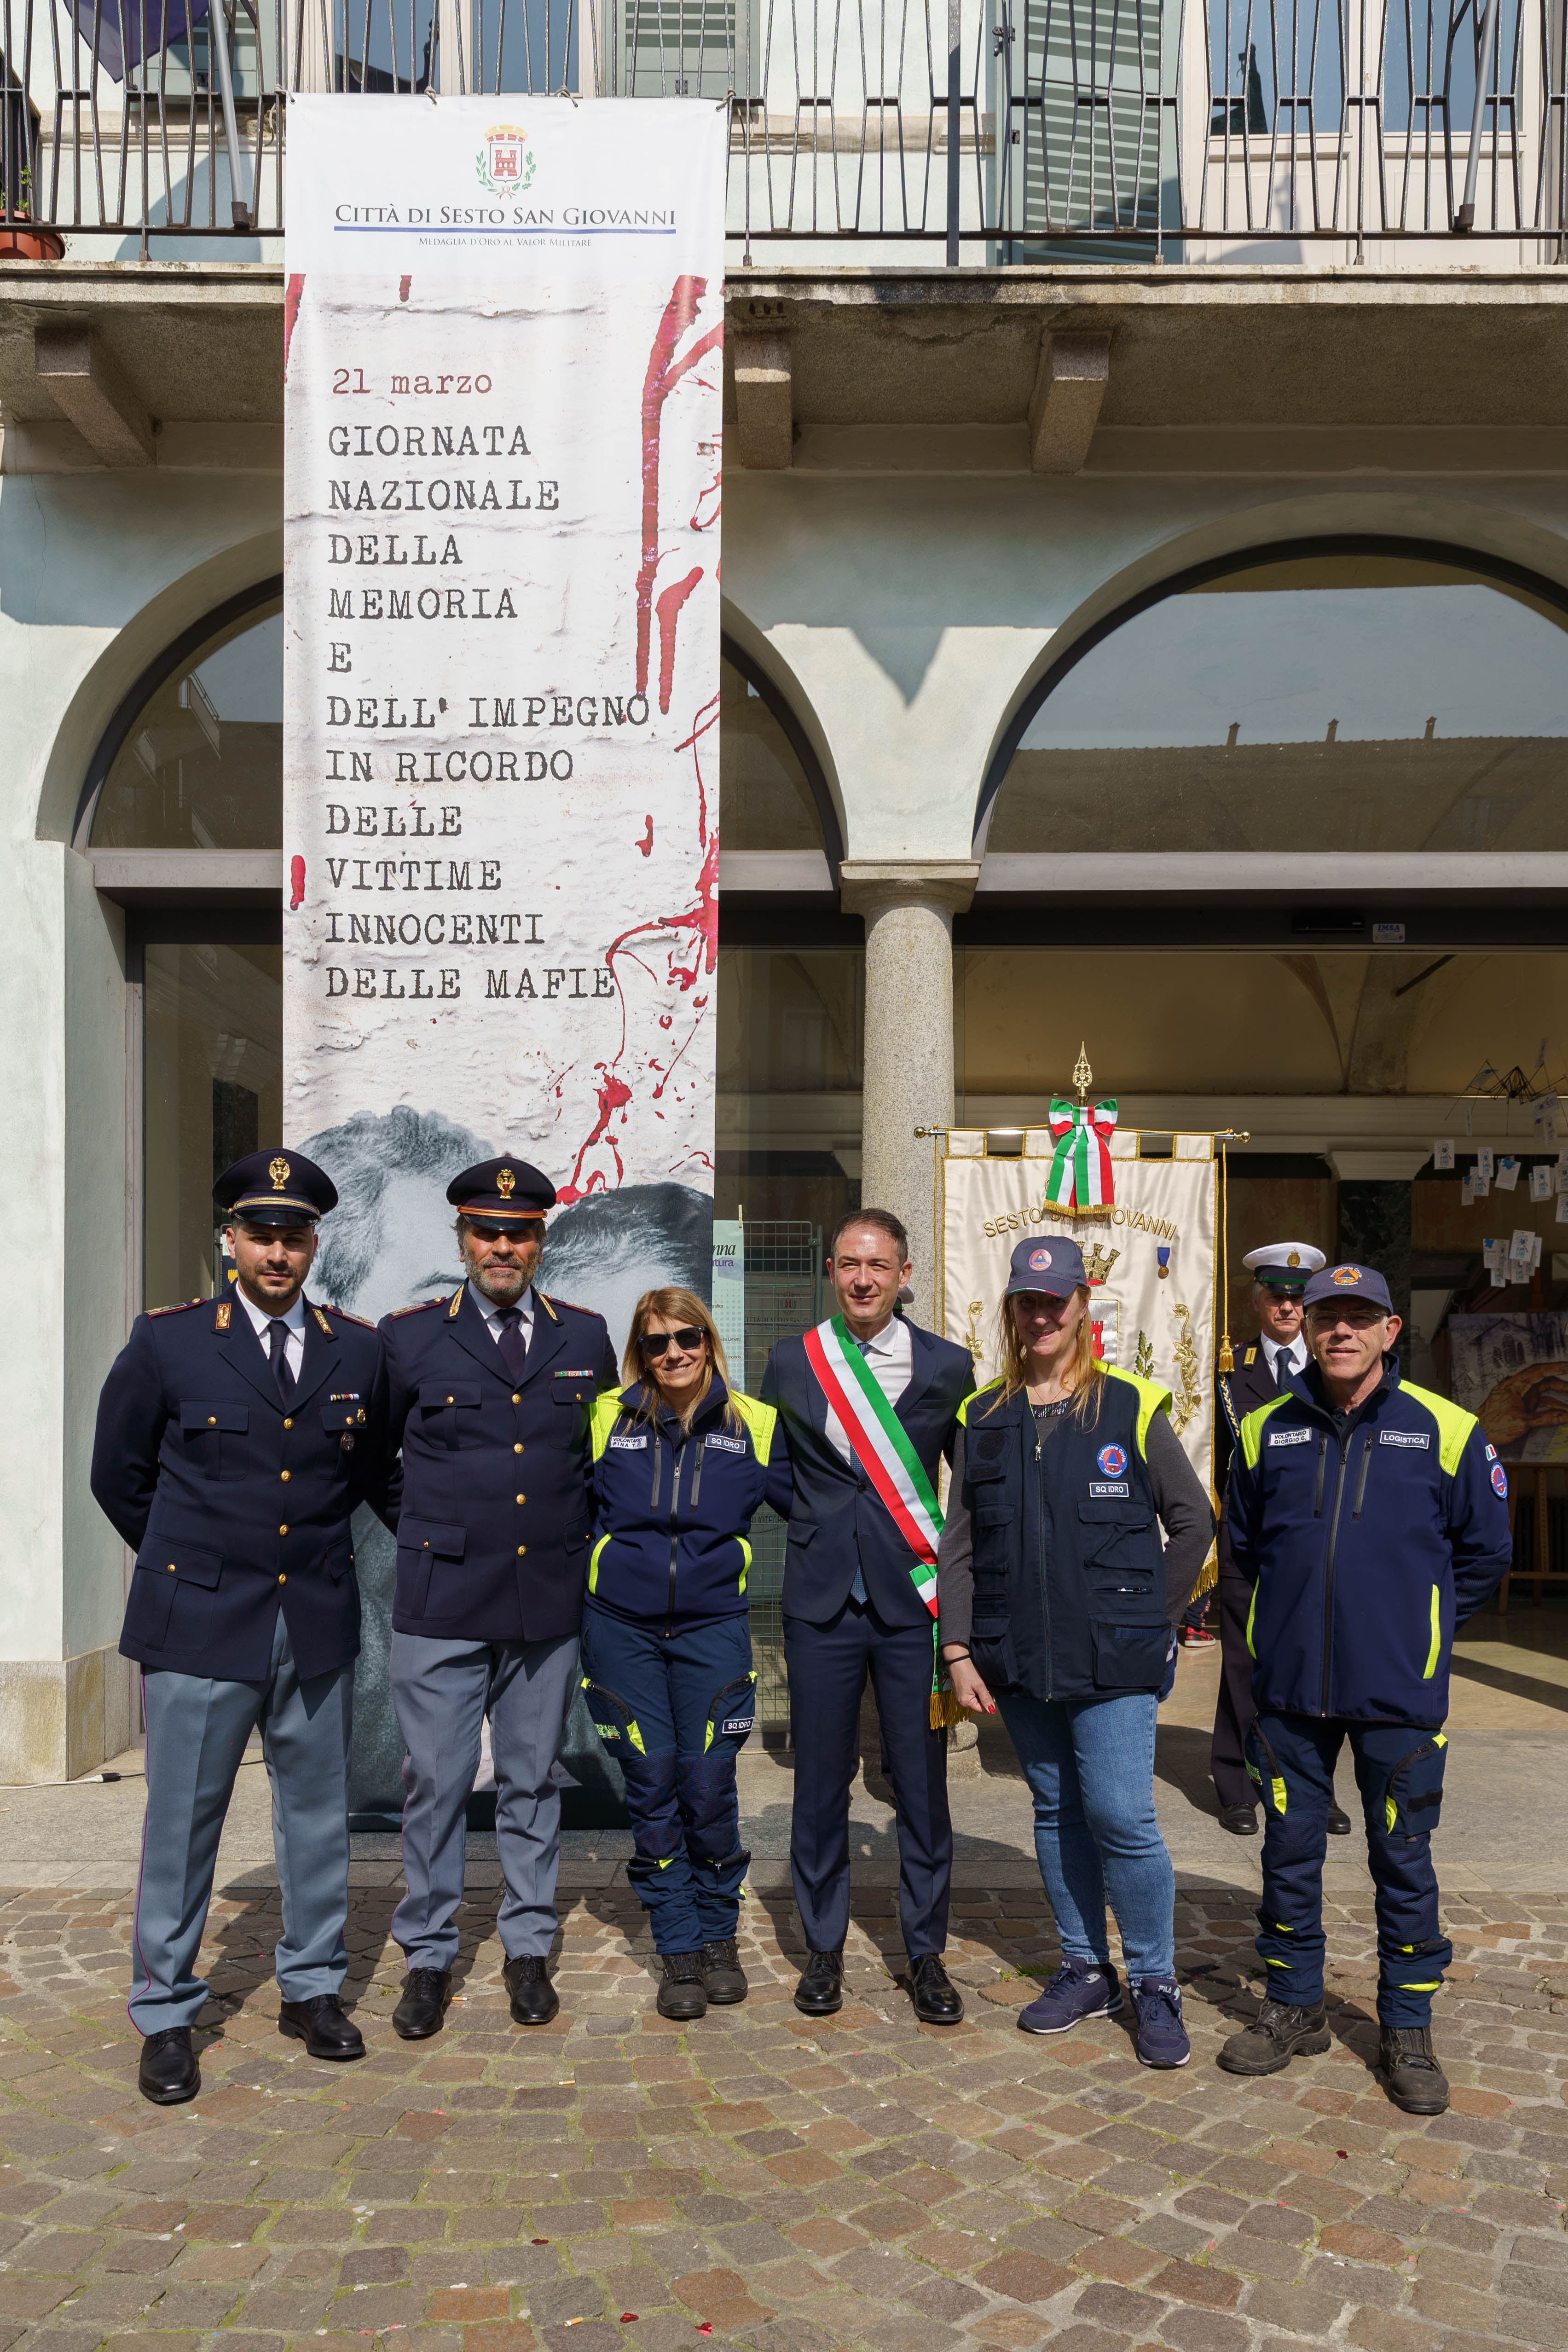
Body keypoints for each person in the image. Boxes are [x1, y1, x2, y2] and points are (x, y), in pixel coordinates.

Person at [91, 1149, 390, 2105]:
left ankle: (310, 1987)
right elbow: (119, 1473)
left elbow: (373, 1473)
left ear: (314, 1245)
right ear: (231, 1240)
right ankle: (169, 2009)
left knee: (315, 1818)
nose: (278, 1250)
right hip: (200, 1620)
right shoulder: (169, 1343)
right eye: (261, 1232)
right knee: (183, 1822)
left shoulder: (358, 1349)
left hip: (313, 1616)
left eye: (295, 1234)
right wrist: (189, 1562)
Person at [1217, 1260, 1512, 2113]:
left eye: (1359, 1317)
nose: (1340, 1330)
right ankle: (1293, 2005)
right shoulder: (1264, 1429)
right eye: (1326, 1316)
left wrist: (1417, 1630)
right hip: (1290, 1694)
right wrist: (1273, 1632)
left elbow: (1485, 1552)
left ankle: (1407, 2024)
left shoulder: (1449, 1431)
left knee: (1404, 1860)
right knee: (1288, 1852)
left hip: (1400, 1696)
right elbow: (1242, 1548)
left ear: (1391, 1331)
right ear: (1305, 1328)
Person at [938, 1235, 1215, 2069]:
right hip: (1015, 1655)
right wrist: (958, 1649)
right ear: (1013, 1309)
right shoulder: (981, 1416)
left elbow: (1195, 1523)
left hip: (1116, 1661)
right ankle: (1085, 1966)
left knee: (1123, 1815)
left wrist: (1152, 1621)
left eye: (1056, 1299)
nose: (1042, 1313)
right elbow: (960, 1544)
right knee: (1055, 1811)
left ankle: (1157, 1981)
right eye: (1028, 1299)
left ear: (1081, 1307)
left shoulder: (1131, 1405)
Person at [378, 1157, 619, 2040]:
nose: (503, 1246)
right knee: (436, 1782)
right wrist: (433, 1529)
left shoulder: (585, 1337)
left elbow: (589, 1464)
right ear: (463, 1238)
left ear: (540, 1242)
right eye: (488, 1230)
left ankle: (526, 1944)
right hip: (443, 1595)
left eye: (519, 1233)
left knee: (530, 1782)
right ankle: (429, 1953)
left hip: (542, 1596)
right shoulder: (407, 1338)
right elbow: (376, 1464)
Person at [760, 1210, 974, 2025]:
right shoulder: (792, 1360)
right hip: (821, 1603)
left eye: (878, 1265)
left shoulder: (947, 1365)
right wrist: (821, 1521)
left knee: (920, 1787)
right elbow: (777, 1471)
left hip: (910, 1607)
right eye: (849, 1263)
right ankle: (823, 1948)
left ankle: (925, 1953)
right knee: (819, 1784)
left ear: (903, 1271)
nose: (862, 1279)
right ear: (830, 1269)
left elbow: (967, 1496)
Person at [581, 1289, 793, 2019]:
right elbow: (566, 1508)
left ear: (710, 1339)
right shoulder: (609, 1415)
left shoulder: (756, 1423)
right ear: (640, 1351)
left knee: (707, 1787)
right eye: (656, 1341)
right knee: (652, 1784)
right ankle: (677, 1949)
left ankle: (718, 1936)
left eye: (688, 1336)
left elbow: (822, 1509)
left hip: (713, 1633)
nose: (673, 1352)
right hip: (622, 1633)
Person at [1212, 1242, 1351, 1838]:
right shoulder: (1227, 1368)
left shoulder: (1335, 1367)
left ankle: (1312, 1787)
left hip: (1316, 1539)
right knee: (1244, 1664)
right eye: (1277, 1294)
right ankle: (1239, 1785)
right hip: (1249, 1537)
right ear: (1258, 1299)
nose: (1288, 1305)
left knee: (1316, 1667)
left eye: (1298, 1296)